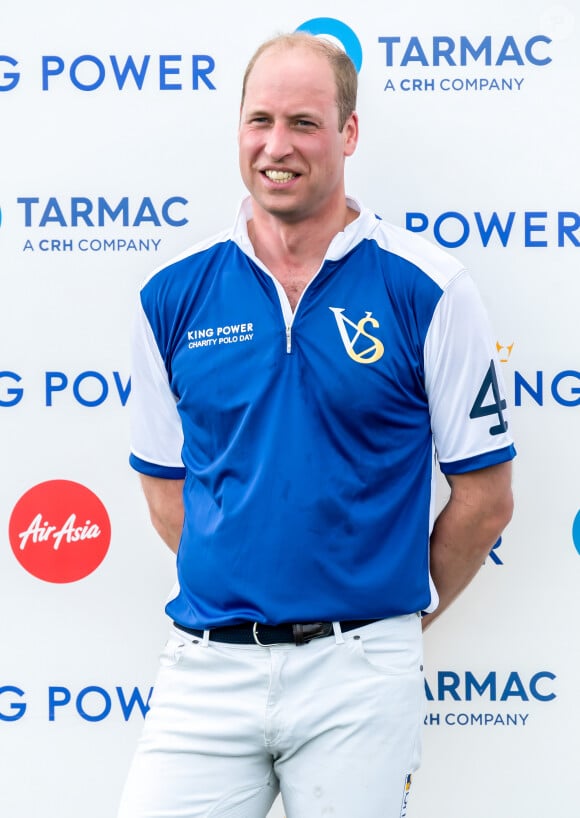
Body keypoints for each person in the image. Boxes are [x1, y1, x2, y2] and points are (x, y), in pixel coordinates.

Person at [119, 31, 515, 818]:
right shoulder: (170, 295)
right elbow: (168, 492)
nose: (278, 145)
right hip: (205, 670)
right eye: (259, 120)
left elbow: (486, 499)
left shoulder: (429, 288)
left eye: (304, 122)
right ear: (238, 130)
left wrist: (390, 618)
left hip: (360, 671)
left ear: (348, 134)